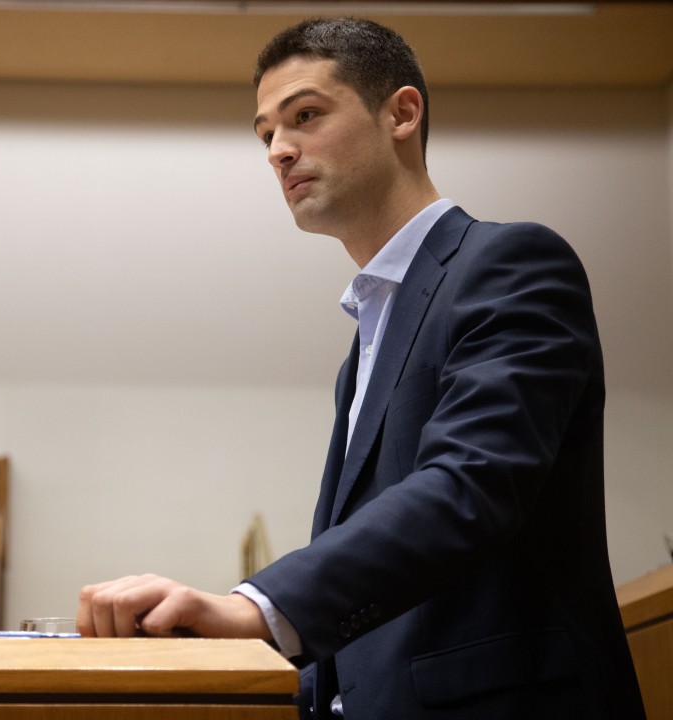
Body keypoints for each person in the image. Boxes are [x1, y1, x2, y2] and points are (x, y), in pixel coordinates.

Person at [76, 17, 644, 720]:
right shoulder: (368, 338)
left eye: (305, 116)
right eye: (265, 135)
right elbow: (374, 616)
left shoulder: (510, 263)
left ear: (401, 114)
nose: (279, 151)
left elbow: (469, 486)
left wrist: (255, 608)